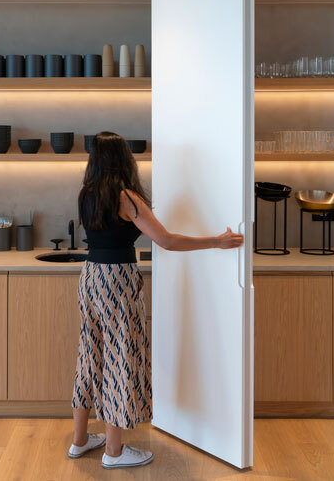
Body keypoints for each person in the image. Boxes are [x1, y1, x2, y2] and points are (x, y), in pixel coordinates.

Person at [68, 131, 244, 469]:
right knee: (121, 355)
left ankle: (80, 441)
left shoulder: (87, 193)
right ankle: (114, 452)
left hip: (90, 276)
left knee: (90, 351)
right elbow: (165, 240)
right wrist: (216, 242)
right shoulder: (125, 196)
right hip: (117, 279)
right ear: (123, 159)